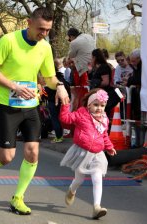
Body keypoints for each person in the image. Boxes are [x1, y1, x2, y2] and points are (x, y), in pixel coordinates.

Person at [0, 7, 69, 215]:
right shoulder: (8, 40)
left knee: (32, 153)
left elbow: (49, 78)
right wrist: (14, 87)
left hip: (31, 107)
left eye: (48, 30)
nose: (44, 34)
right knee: (7, 156)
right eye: (41, 29)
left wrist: (61, 85)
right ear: (28, 22)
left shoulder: (45, 48)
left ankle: (18, 198)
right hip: (8, 106)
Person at [59, 88, 116, 219]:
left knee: (97, 177)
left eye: (102, 106)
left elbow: (104, 135)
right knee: (79, 179)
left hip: (97, 154)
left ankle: (96, 207)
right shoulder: (81, 114)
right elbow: (65, 118)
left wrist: (109, 147)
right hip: (82, 153)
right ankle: (72, 190)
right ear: (89, 105)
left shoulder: (104, 119)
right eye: (96, 105)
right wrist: (65, 105)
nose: (99, 108)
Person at [89, 48, 120, 119]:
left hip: (104, 95)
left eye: (92, 57)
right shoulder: (100, 67)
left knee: (103, 116)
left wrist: (95, 83)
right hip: (101, 95)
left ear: (95, 57)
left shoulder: (103, 67)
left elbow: (105, 82)